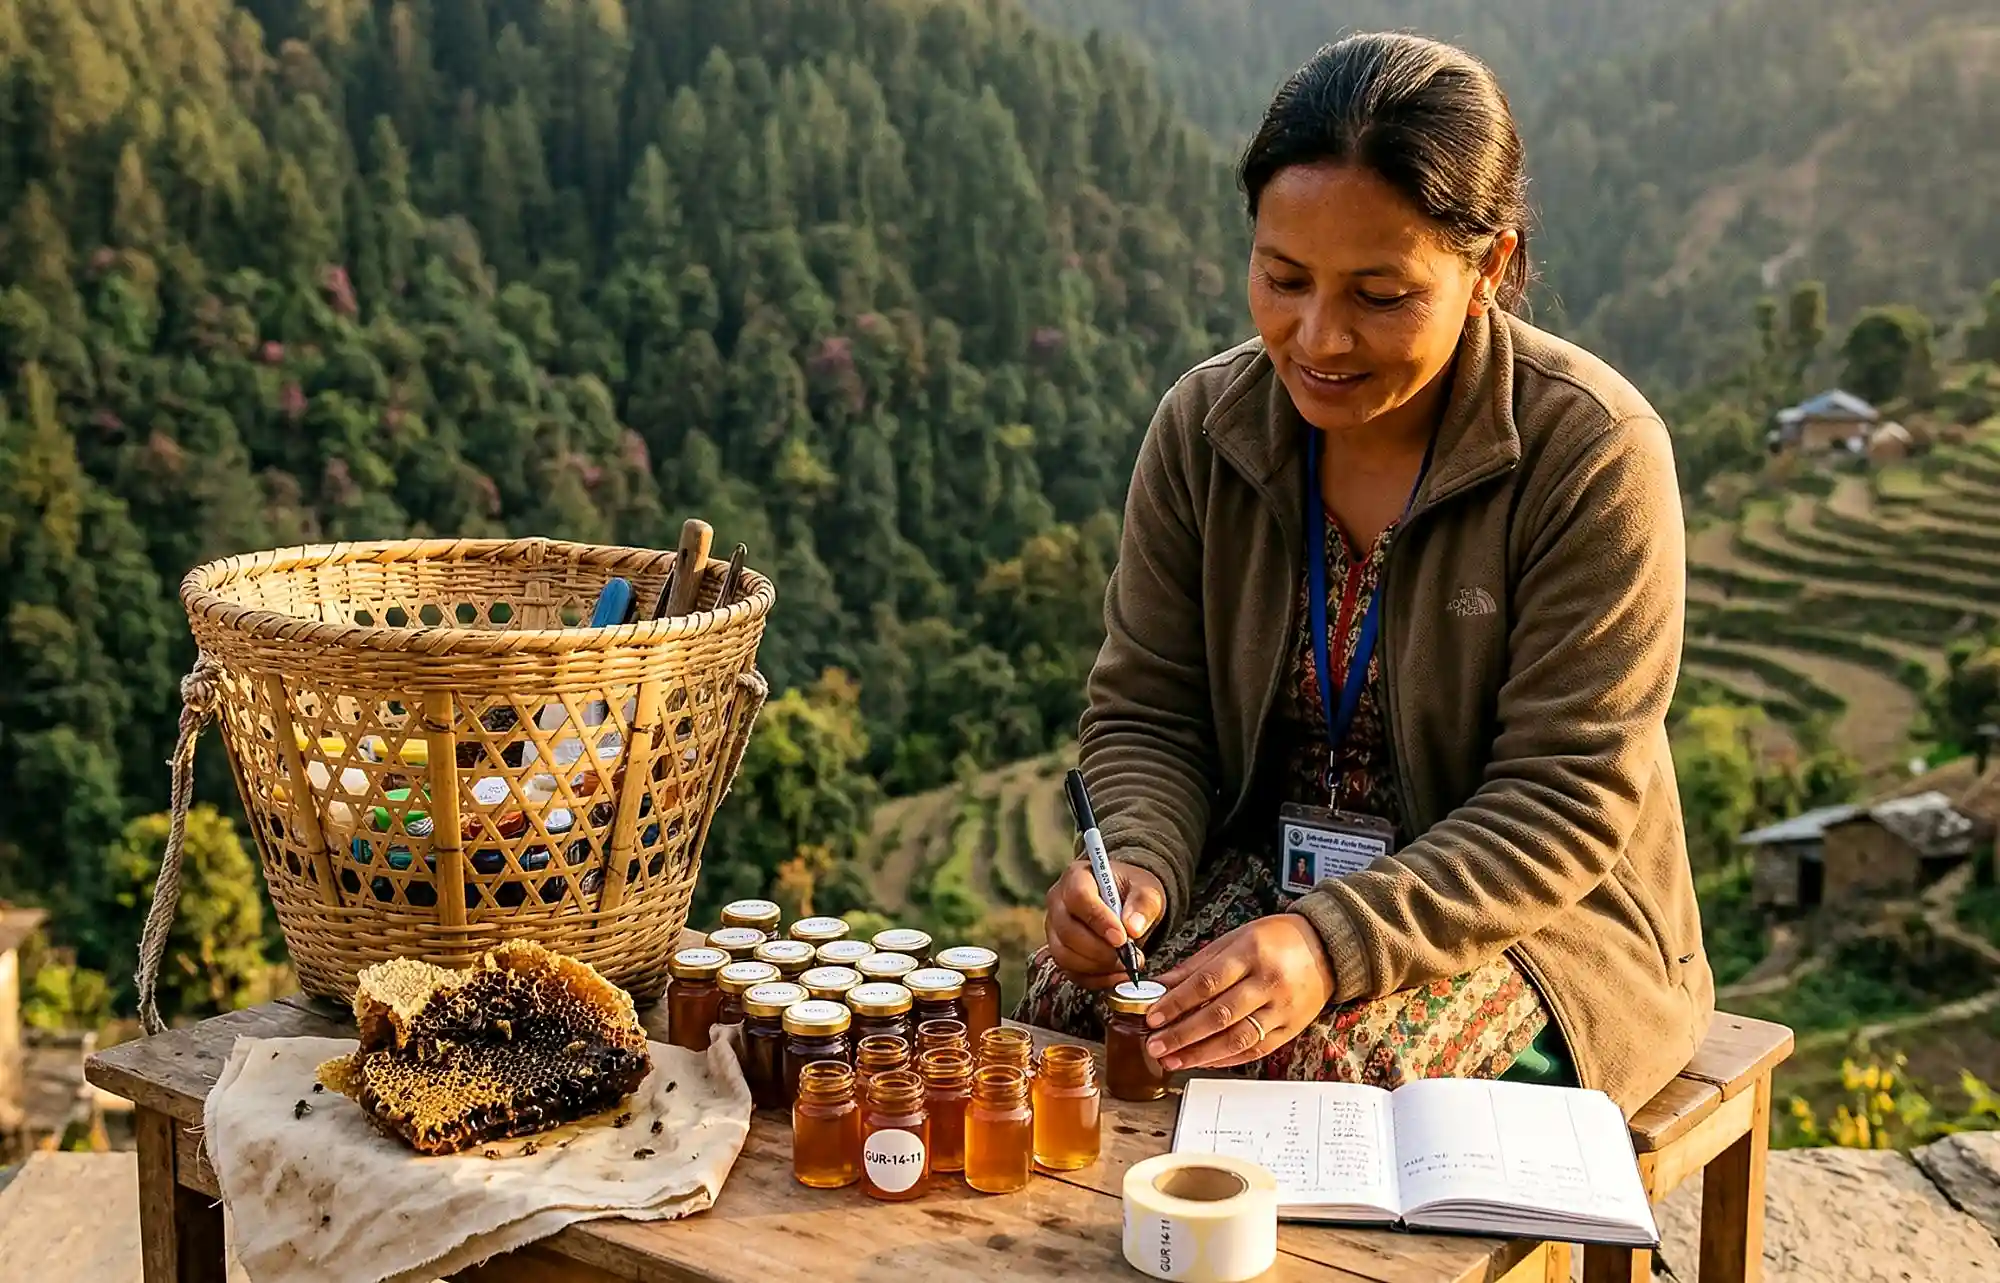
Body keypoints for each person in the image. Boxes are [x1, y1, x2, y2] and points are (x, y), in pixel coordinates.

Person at [1018, 31, 1714, 1116]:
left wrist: (1330, 942)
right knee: (1079, 1002)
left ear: (1489, 267)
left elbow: (1563, 796)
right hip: (1269, 878)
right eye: (1282, 277)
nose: (1318, 336)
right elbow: (1148, 710)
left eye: (1379, 295)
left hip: (1525, 917)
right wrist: (1142, 869)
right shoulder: (1206, 428)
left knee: (1303, 1080)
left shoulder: (1590, 451)